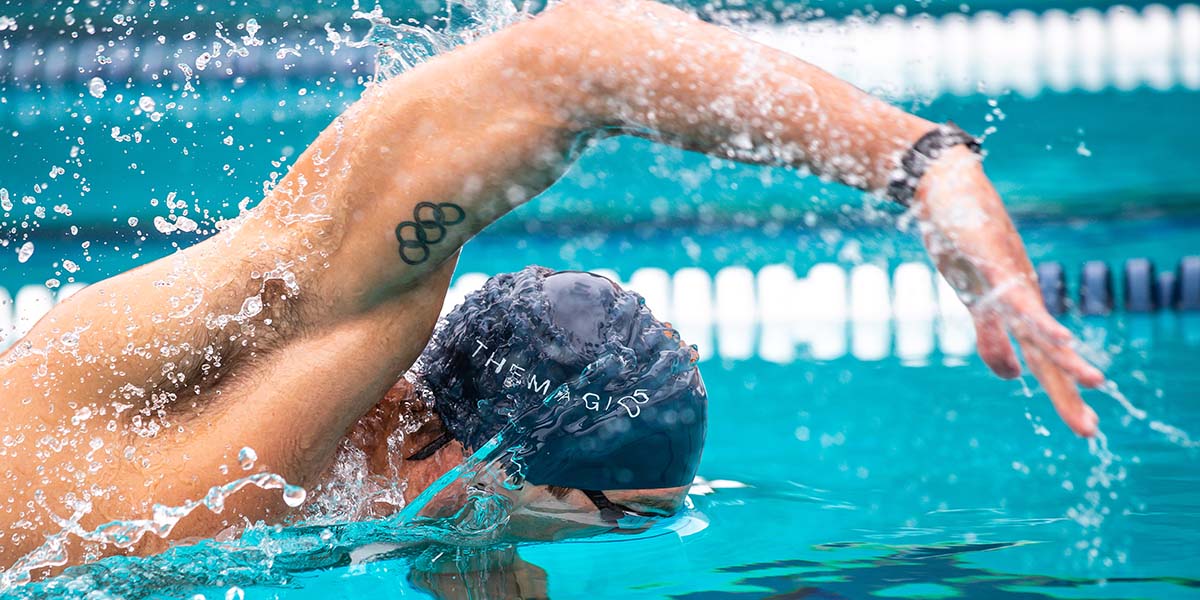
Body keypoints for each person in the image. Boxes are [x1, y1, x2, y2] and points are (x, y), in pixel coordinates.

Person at [0, 0, 1104, 577]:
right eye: (628, 525)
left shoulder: (332, 458)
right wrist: (922, 166)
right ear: (539, 484)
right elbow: (579, 57)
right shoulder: (305, 331)